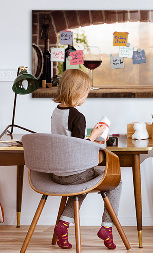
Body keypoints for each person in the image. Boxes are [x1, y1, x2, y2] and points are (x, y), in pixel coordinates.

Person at [51, 69, 121, 250]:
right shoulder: (77, 116)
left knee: (81, 185)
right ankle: (107, 227)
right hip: (74, 173)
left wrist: (90, 136)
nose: (86, 96)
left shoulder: (56, 112)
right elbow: (79, 148)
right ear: (77, 92)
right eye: (86, 92)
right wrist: (96, 135)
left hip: (57, 173)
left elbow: (68, 141)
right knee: (116, 181)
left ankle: (63, 225)